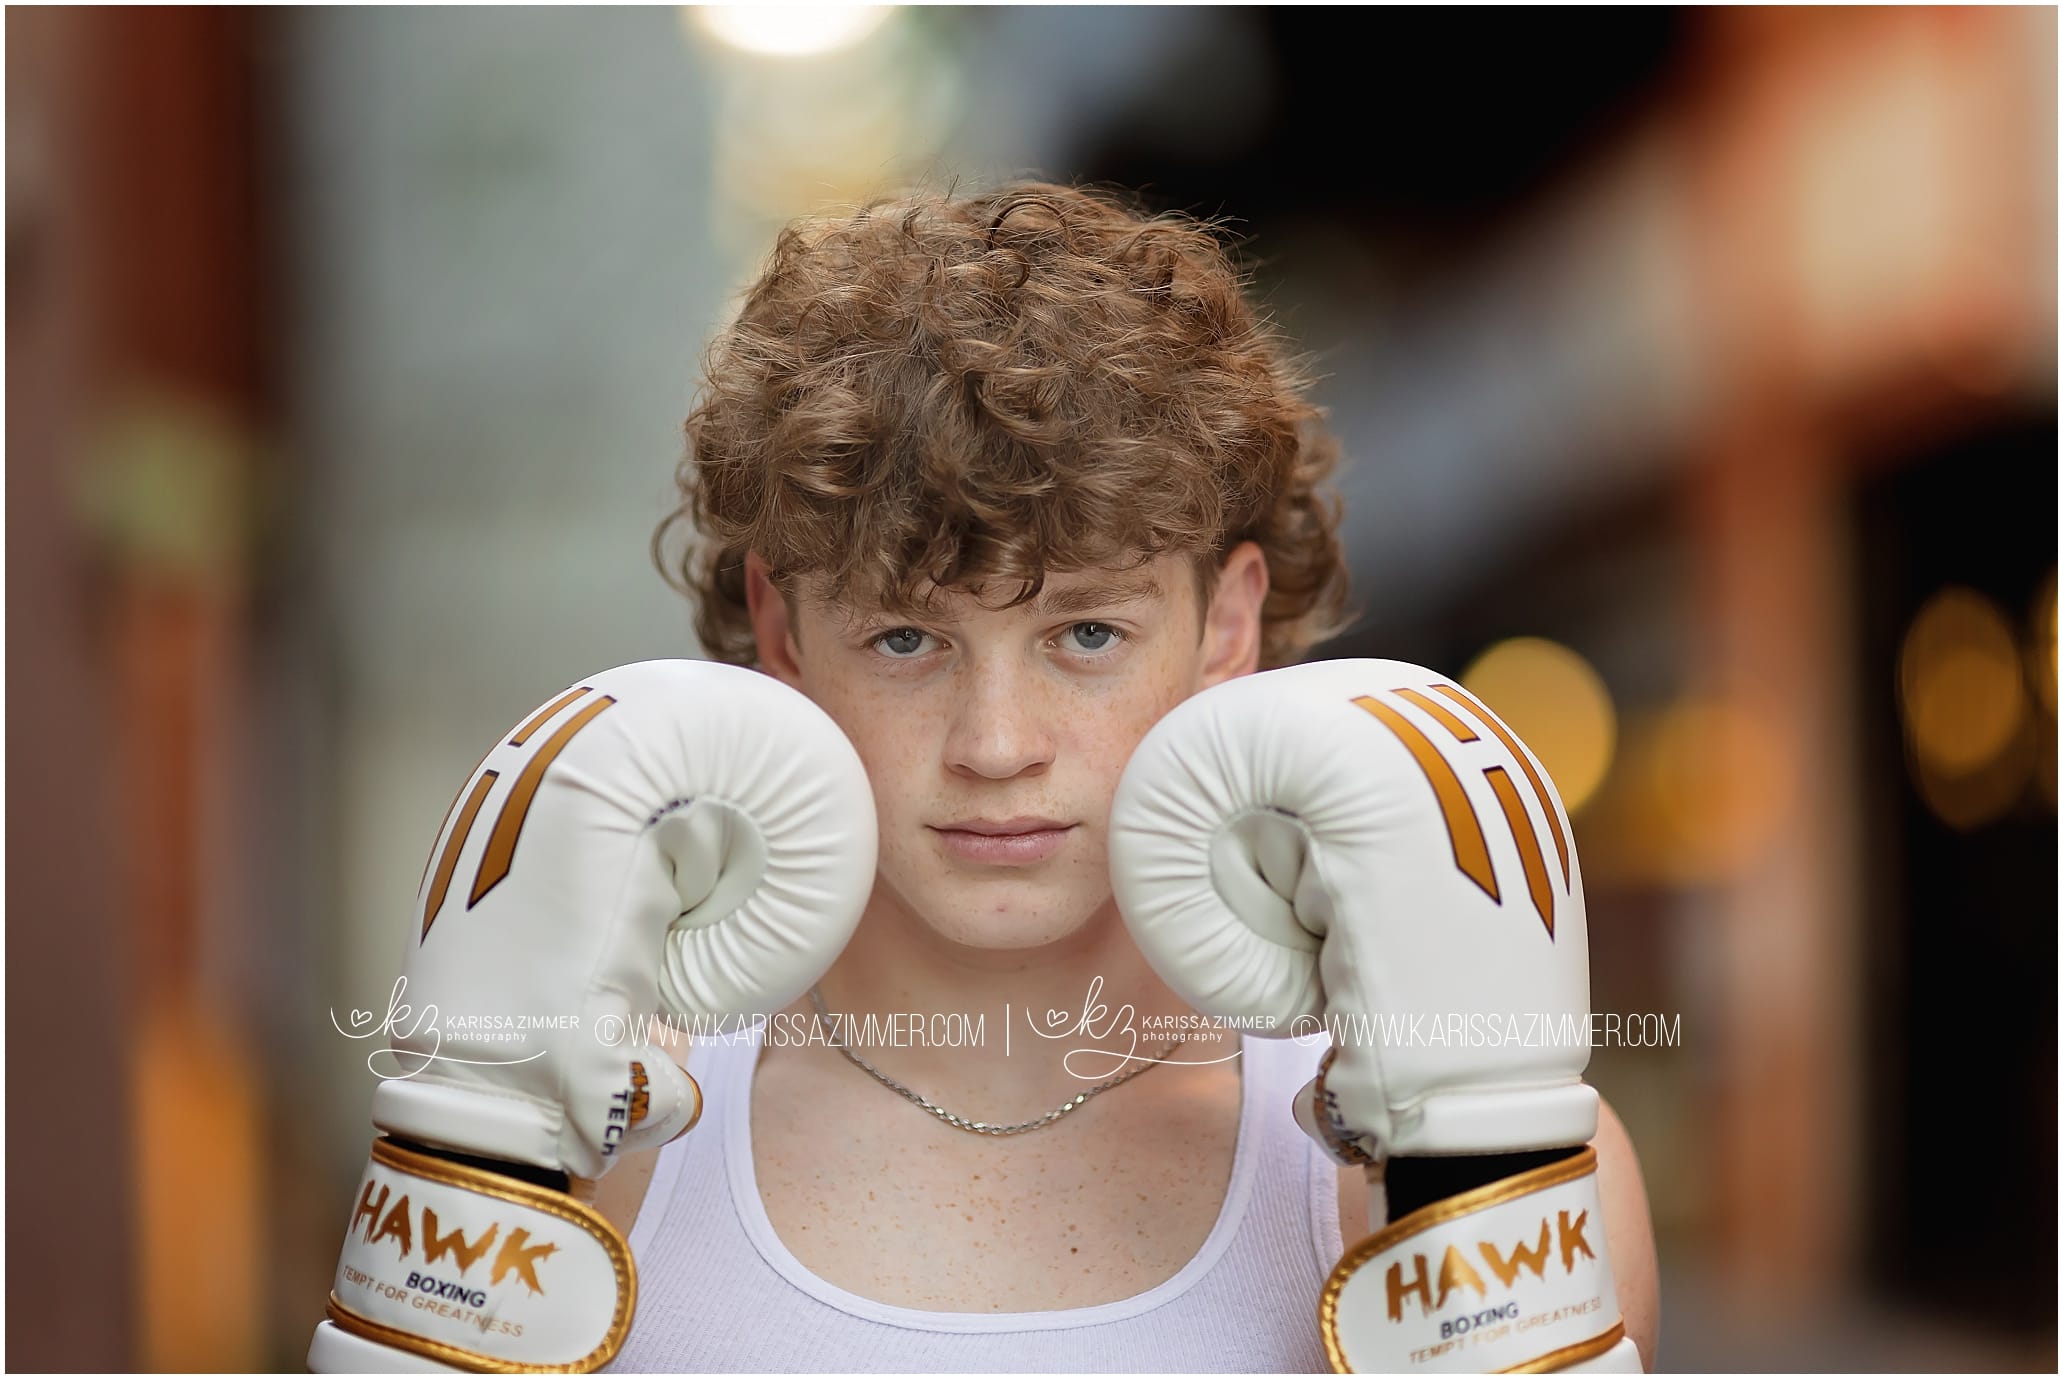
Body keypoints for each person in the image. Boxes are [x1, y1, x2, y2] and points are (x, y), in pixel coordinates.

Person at [596, 178, 1660, 1371]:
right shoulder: (602, 1132)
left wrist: (1452, 1186)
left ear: (1222, 632)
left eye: (1086, 634)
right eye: (906, 639)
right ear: (784, 637)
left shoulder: (1480, 1145)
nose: (995, 745)